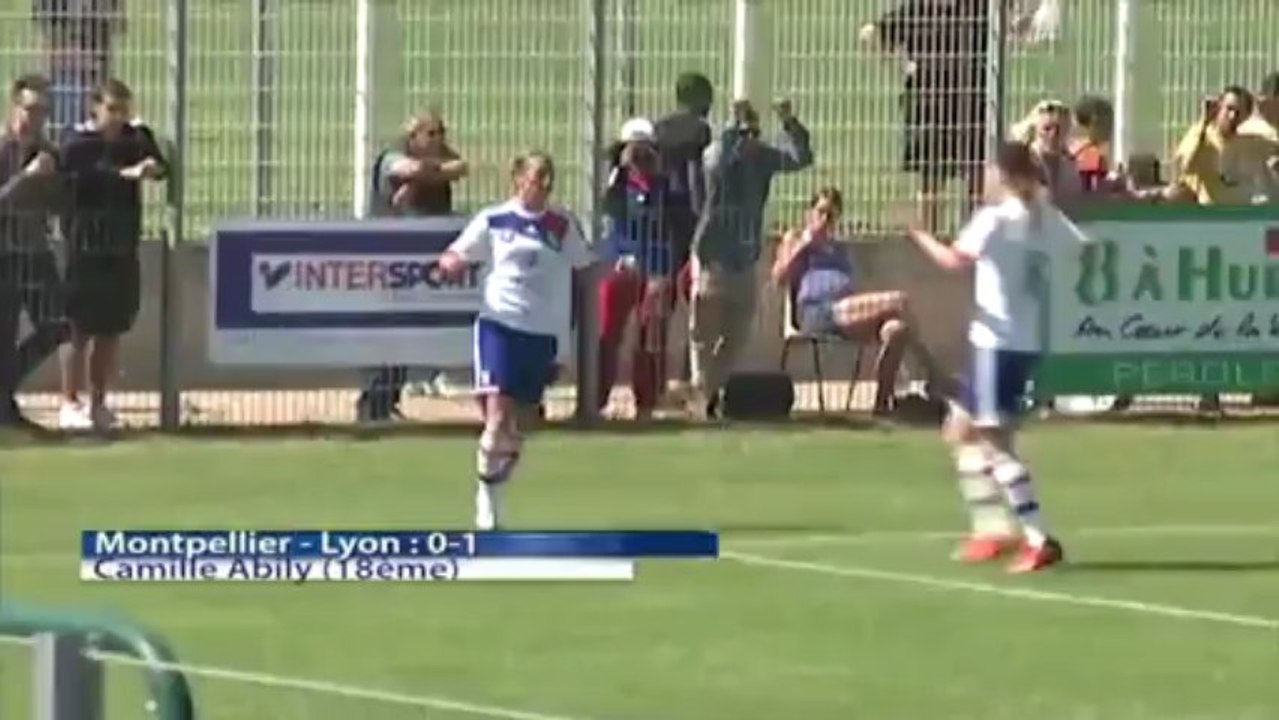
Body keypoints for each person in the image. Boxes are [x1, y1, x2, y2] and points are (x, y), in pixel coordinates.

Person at [906, 141, 1070, 574]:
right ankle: (991, 528)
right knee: (958, 429)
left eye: (991, 171)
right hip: (1016, 341)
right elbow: (1081, 250)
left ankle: (1038, 536)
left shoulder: (995, 219)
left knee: (997, 444)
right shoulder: (1044, 217)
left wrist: (917, 232)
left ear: (1007, 176)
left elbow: (951, 261)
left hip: (999, 346)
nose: (984, 178)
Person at [437, 152, 594, 530]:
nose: (540, 184)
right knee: (496, 417)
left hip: (542, 333)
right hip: (499, 324)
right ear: (517, 180)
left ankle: (499, 467)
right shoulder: (493, 220)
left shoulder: (561, 225)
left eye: (546, 177)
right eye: (534, 176)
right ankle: (487, 503)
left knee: (522, 421)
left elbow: (584, 265)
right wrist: (449, 263)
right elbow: (458, 250)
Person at [860, 0, 1062, 231]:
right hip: (929, 105)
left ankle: (976, 233)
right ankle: (930, 235)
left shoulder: (979, 9)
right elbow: (873, 33)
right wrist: (900, 63)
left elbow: (1009, 22)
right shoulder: (916, 11)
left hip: (972, 101)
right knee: (930, 178)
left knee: (976, 174)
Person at [771, 187, 945, 417]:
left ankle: (882, 405)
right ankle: (935, 375)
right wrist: (805, 244)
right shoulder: (796, 238)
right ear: (809, 213)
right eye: (820, 212)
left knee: (897, 330)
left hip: (845, 311)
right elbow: (779, 277)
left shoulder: (840, 248)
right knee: (900, 301)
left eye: (831, 215)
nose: (825, 220)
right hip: (815, 312)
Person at [689, 97, 813, 419]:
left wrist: (789, 122)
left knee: (735, 338)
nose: (748, 141)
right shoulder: (717, 157)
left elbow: (801, 158)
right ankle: (704, 394)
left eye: (752, 134)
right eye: (743, 134)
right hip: (713, 258)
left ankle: (707, 394)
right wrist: (734, 128)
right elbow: (714, 162)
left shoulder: (762, 159)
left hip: (745, 259)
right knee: (703, 336)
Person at [57, 78, 166, 430]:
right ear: (95, 109)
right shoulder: (77, 143)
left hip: (121, 246)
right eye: (112, 110)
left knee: (111, 328)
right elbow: (89, 177)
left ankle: (99, 401)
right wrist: (128, 174)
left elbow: (159, 165)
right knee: (78, 328)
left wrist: (146, 158)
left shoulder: (132, 139)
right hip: (85, 246)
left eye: (124, 111)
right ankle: (69, 400)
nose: (119, 119)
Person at [356, 109, 469, 423]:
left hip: (417, 267)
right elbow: (408, 168)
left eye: (442, 134)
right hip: (386, 262)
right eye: (431, 134)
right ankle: (372, 404)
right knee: (385, 334)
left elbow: (461, 166)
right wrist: (427, 171)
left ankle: (388, 401)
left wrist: (429, 172)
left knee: (405, 335)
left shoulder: (438, 165)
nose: (439, 140)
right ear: (413, 136)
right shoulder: (391, 157)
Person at [598, 117, 678, 420]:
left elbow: (674, 225)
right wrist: (620, 167)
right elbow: (608, 216)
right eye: (636, 150)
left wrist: (665, 271)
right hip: (619, 267)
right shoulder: (615, 186)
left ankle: (647, 400)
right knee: (608, 334)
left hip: (655, 266)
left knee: (651, 336)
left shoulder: (665, 188)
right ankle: (597, 399)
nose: (642, 158)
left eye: (647, 150)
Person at [0, 74, 66, 429]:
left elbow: (58, 206)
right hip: (3, 253)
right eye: (30, 109)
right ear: (14, 107)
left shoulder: (49, 152)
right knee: (4, 331)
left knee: (56, 325)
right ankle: (4, 408)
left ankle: (3, 389)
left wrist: (54, 182)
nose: (36, 117)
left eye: (43, 111)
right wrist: (26, 177)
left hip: (34, 250)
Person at [654, 72, 714, 402]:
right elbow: (695, 176)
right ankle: (693, 377)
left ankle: (657, 378)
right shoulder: (699, 130)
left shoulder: (660, 128)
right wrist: (702, 218)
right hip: (687, 222)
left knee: (662, 304)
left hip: (661, 221)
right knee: (695, 302)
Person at [33, 0, 123, 135]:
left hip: (93, 62)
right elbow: (45, 23)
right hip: (63, 64)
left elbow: (115, 21)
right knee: (62, 116)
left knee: (90, 113)